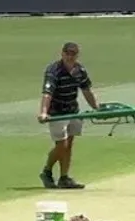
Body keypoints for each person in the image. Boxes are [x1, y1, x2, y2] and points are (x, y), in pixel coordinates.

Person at [37, 42, 100, 189]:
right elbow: (47, 94)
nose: (70, 57)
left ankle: (64, 177)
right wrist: (44, 112)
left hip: (73, 110)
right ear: (62, 53)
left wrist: (96, 108)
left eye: (73, 54)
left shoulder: (80, 70)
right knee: (62, 145)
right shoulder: (54, 71)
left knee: (69, 144)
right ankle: (47, 171)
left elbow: (87, 90)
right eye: (68, 53)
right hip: (57, 112)